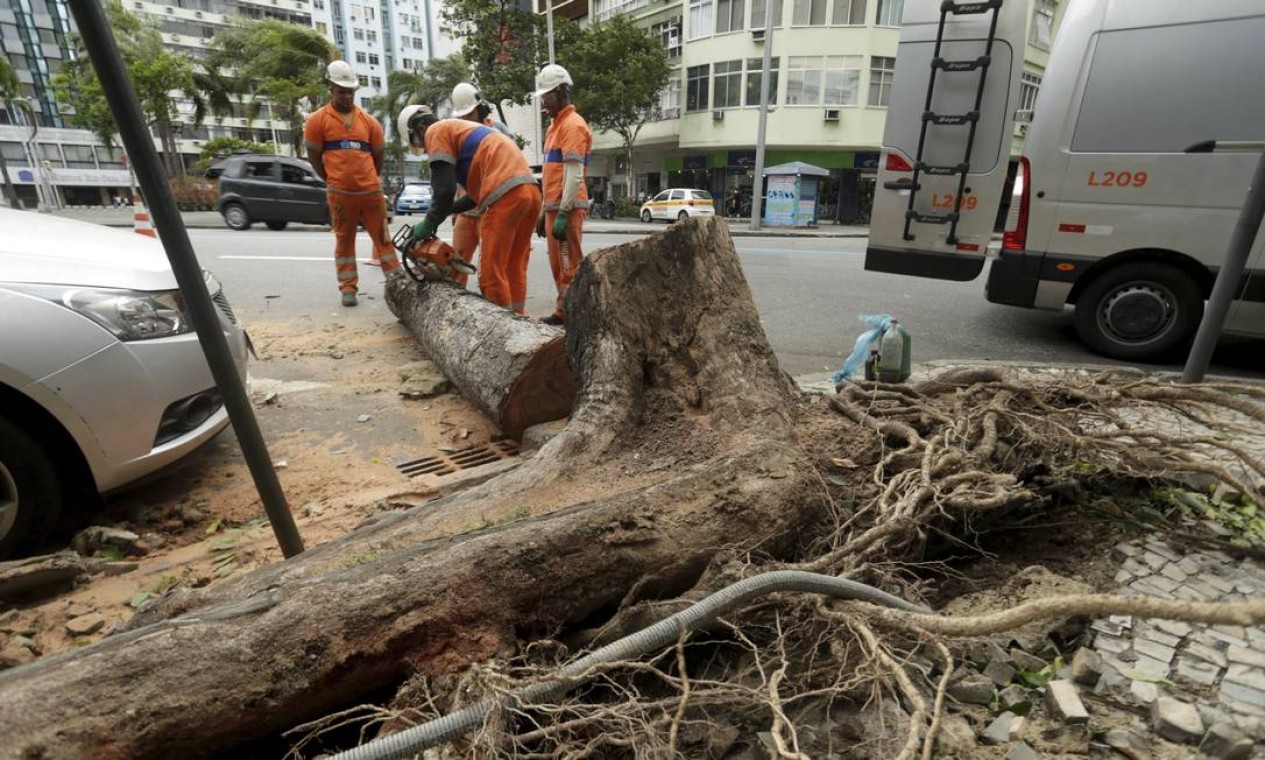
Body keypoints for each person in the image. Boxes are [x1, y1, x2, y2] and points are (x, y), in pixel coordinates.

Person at [398, 104, 540, 314]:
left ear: (419, 127)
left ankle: (502, 334)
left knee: (491, 273)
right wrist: (446, 211)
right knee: (512, 267)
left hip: (505, 196)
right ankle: (520, 320)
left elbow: (444, 189)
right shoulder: (464, 133)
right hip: (530, 191)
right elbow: (472, 198)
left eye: (419, 143)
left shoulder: (435, 131)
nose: (426, 149)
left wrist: (430, 222)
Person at [303, 60, 399, 307]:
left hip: (371, 192)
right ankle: (348, 288)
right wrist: (332, 180)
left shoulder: (369, 122)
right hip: (340, 194)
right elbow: (314, 156)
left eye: (350, 92)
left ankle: (398, 282)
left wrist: (370, 179)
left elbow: (378, 157)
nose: (347, 96)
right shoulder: (317, 121)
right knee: (344, 240)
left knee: (383, 239)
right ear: (331, 89)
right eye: (341, 91)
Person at [535, 63, 592, 326]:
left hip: (566, 210)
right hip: (554, 208)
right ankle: (564, 311)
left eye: (546, 95)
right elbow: (550, 175)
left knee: (570, 265)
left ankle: (576, 313)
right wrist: (543, 211)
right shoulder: (554, 127)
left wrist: (564, 212)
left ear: (560, 92)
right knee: (559, 266)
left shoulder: (572, 125)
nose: (543, 102)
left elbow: (573, 173)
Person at [449, 82, 516, 289]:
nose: (464, 121)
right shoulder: (457, 134)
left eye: (468, 115)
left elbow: (511, 167)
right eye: (461, 117)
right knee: (455, 263)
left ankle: (497, 310)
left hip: (490, 209)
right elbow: (453, 173)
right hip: (466, 212)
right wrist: (453, 207)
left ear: (479, 110)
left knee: (492, 268)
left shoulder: (499, 131)